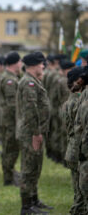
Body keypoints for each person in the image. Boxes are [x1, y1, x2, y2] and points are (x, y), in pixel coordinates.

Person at [16, 52, 53, 214]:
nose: (43, 66)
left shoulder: (34, 81)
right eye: (41, 64)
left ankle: (34, 199)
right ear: (32, 65)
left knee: (35, 167)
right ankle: (26, 206)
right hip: (31, 132)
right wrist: (36, 133)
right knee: (29, 169)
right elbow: (31, 110)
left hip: (34, 131)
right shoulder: (28, 83)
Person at [62, 66, 87, 215]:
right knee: (81, 195)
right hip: (78, 149)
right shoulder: (78, 101)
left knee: (78, 191)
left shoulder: (70, 100)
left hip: (72, 148)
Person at [0, 52, 22, 186]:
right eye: (19, 62)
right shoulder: (10, 80)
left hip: (9, 120)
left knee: (11, 148)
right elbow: (12, 103)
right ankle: (8, 178)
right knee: (10, 149)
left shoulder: (11, 77)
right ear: (15, 63)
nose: (21, 64)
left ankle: (10, 173)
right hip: (10, 121)